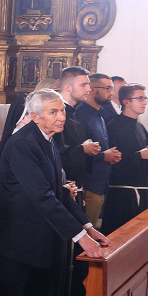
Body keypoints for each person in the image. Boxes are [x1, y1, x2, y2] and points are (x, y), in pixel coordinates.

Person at [0, 89, 108, 296]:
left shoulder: (47, 141)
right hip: (17, 240)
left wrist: (87, 225)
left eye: (62, 111)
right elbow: (42, 196)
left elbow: (58, 189)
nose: (61, 117)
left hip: (39, 238)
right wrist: (80, 238)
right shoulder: (22, 144)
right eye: (53, 112)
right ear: (35, 115)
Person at [103, 84, 148, 234]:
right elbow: (112, 159)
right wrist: (140, 155)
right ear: (126, 102)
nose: (144, 102)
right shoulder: (113, 125)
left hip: (140, 188)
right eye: (140, 98)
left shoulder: (140, 127)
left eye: (145, 98)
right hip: (121, 194)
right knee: (120, 235)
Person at [76, 73, 121, 227]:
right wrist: (103, 156)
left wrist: (110, 155)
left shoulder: (99, 115)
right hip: (88, 185)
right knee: (84, 235)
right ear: (93, 90)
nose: (112, 93)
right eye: (108, 88)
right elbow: (76, 151)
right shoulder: (80, 114)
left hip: (99, 184)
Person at [55, 66, 100, 198]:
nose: (89, 89)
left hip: (76, 187)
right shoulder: (57, 116)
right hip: (62, 188)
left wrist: (89, 147)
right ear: (68, 87)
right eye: (84, 85)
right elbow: (56, 154)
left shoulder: (75, 113)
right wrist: (82, 149)